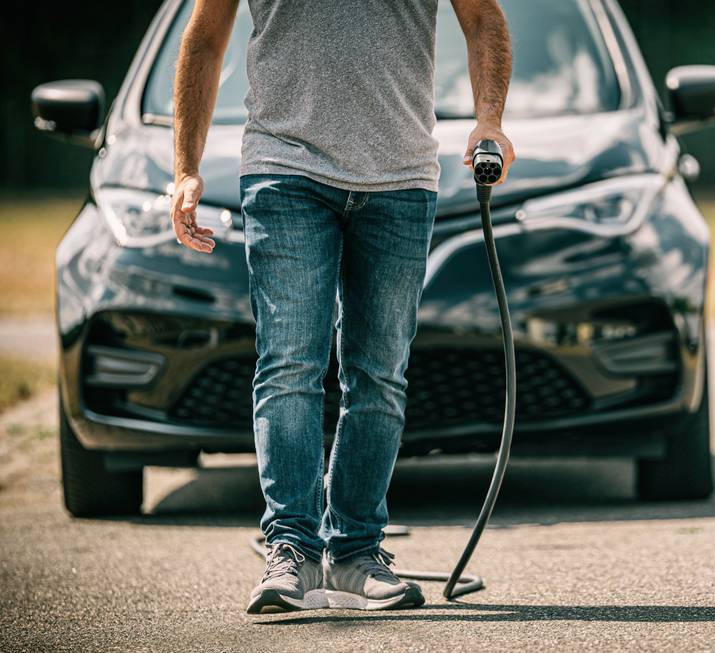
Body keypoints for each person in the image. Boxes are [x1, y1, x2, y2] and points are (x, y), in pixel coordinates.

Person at [169, 0, 514, 614]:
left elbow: (483, 17)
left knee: (378, 374)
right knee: (289, 366)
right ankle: (292, 553)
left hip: (401, 180)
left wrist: (490, 119)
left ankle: (355, 553)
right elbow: (204, 38)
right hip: (285, 168)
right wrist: (186, 168)